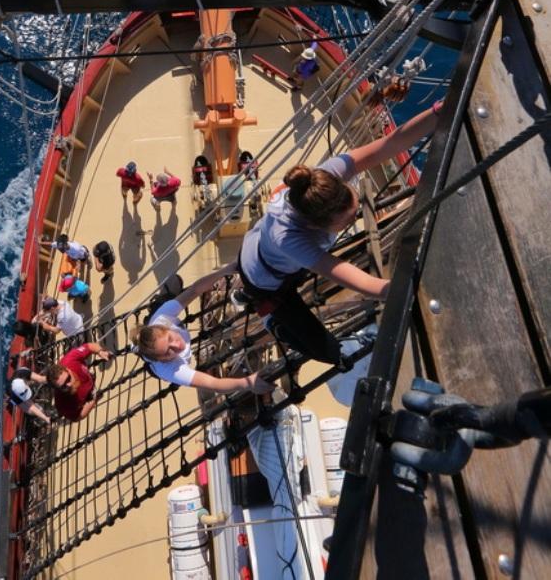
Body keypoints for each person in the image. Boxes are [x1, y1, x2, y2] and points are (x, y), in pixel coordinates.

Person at [237, 103, 443, 366]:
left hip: (258, 247)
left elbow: (392, 142)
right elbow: (352, 278)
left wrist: (438, 112)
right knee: (325, 349)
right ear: (315, 226)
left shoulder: (322, 179)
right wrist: (408, 290)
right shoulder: (289, 238)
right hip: (264, 280)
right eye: (347, 220)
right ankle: (269, 318)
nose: (354, 218)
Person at [130, 264, 272, 395]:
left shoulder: (162, 318)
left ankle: (161, 300)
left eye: (170, 339)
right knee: (151, 364)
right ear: (164, 360)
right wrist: (247, 383)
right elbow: (214, 383)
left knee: (168, 293)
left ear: (165, 328)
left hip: (155, 320)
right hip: (157, 365)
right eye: (168, 352)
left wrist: (225, 270)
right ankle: (137, 349)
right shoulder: (171, 370)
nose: (177, 345)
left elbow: (194, 290)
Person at [46, 342, 111, 421]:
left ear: (68, 370)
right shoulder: (62, 404)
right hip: (88, 398)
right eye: (63, 386)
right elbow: (77, 417)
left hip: (89, 379)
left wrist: (100, 351)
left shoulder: (70, 360)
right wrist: (93, 401)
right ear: (58, 389)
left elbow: (89, 346)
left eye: (68, 378)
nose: (69, 385)